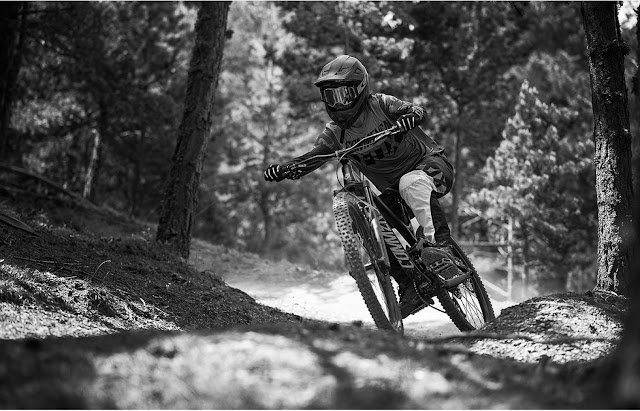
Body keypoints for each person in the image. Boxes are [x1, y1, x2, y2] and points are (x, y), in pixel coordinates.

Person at [263, 54, 459, 318]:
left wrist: (411, 116)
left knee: (411, 182)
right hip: (394, 190)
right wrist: (286, 168)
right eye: (330, 97)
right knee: (375, 222)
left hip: (431, 166)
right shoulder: (335, 133)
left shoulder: (381, 104)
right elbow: (313, 156)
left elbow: (417, 110)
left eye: (343, 95)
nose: (337, 103)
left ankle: (443, 250)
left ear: (360, 89)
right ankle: (409, 287)